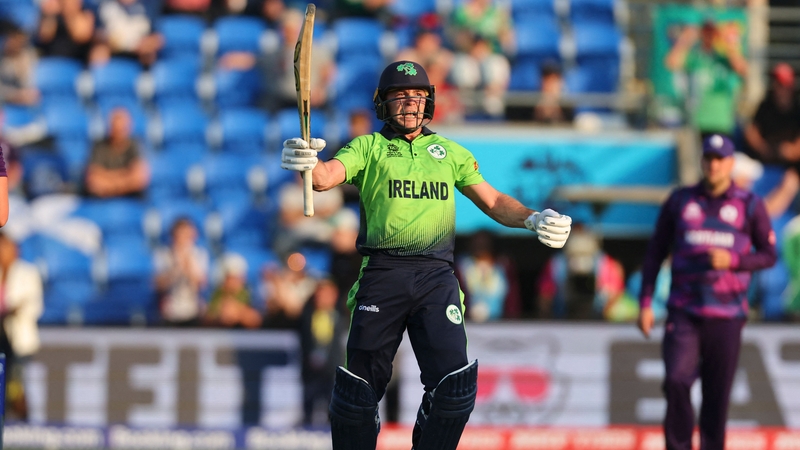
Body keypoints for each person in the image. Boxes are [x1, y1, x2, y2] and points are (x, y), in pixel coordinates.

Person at [280, 60, 572, 450]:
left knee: (454, 389)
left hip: (437, 276)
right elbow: (326, 177)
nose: (411, 103)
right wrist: (307, 164)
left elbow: (494, 200)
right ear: (383, 103)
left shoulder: (449, 152)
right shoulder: (369, 147)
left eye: (418, 96)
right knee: (358, 393)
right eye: (400, 96)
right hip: (382, 273)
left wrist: (532, 218)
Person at [637, 134, 777, 450]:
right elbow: (655, 252)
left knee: (717, 396)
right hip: (684, 310)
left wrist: (735, 260)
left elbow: (769, 255)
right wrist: (646, 302)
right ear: (702, 161)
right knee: (676, 380)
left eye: (720, 159)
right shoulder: (680, 201)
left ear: (730, 163)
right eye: (708, 159)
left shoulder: (749, 204)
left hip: (727, 315)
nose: (713, 165)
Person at [664, 19, 747, 139]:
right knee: (695, 157)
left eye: (712, 33)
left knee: (718, 157)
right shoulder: (695, 59)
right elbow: (671, 62)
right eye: (706, 32)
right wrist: (685, 40)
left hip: (721, 123)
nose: (709, 37)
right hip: (696, 122)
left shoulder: (724, 60)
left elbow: (741, 68)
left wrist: (728, 40)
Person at [0, 232, 44, 421]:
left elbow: (32, 305)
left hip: (18, 340)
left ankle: (25, 422)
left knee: (15, 384)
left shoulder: (27, 272)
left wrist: (9, 310)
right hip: (1, 338)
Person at [298, 277, 345, 426]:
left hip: (333, 373)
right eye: (319, 294)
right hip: (311, 374)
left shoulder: (343, 317)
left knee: (333, 412)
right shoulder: (306, 316)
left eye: (326, 294)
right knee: (308, 411)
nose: (322, 298)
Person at [454, 229, 521, 321]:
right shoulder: (462, 265)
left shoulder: (503, 266)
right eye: (477, 243)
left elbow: (512, 296)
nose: (480, 247)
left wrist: (512, 318)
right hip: (467, 321)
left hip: (500, 322)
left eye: (484, 244)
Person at [84, 106, 150, 198]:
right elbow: (94, 182)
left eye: (122, 128)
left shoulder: (135, 146)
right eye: (115, 127)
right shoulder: (99, 146)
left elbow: (139, 179)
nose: (119, 131)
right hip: (102, 203)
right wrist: (126, 177)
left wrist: (107, 179)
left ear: (129, 127)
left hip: (131, 201)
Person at [154, 217, 209, 326]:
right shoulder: (163, 254)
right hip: (170, 311)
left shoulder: (200, 254)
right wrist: (176, 267)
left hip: (193, 310)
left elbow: (200, 285)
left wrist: (187, 264)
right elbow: (158, 285)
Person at [744, 62, 800, 165]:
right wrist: (763, 148)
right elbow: (751, 131)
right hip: (764, 163)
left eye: (781, 83)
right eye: (775, 82)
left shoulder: (797, 110)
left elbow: (796, 149)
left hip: (792, 168)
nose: (777, 87)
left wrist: (790, 151)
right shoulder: (766, 106)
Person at [203, 253, 262, 329]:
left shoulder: (248, 292)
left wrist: (239, 313)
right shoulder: (217, 294)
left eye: (238, 277)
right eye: (231, 277)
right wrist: (219, 316)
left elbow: (257, 320)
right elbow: (207, 319)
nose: (235, 281)